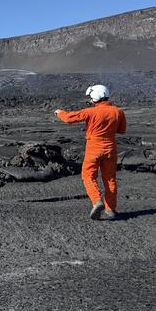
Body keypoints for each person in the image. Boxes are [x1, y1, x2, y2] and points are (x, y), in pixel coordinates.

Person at [54, 85, 126, 220]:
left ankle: (96, 200)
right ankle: (110, 209)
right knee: (110, 179)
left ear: (95, 97)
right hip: (110, 148)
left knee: (88, 176)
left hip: (94, 148)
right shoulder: (118, 111)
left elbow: (69, 118)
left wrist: (59, 113)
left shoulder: (90, 112)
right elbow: (121, 130)